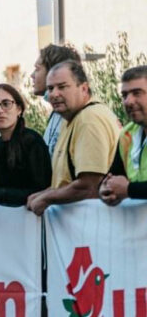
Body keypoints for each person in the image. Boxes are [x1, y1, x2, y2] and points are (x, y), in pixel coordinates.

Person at [27, 60, 120, 217]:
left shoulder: (89, 119)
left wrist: (47, 198)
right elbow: (66, 181)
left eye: (62, 87)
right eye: (50, 88)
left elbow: (90, 186)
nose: (54, 94)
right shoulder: (71, 118)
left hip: (94, 225)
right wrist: (44, 193)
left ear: (83, 88)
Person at [100, 66, 147, 206]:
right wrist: (105, 190)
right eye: (125, 95)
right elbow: (113, 177)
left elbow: (125, 188)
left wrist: (129, 189)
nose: (128, 101)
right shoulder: (127, 134)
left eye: (137, 93)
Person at [32, 43, 83, 154]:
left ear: (54, 71)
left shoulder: (78, 115)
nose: (32, 75)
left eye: (37, 69)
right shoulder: (58, 113)